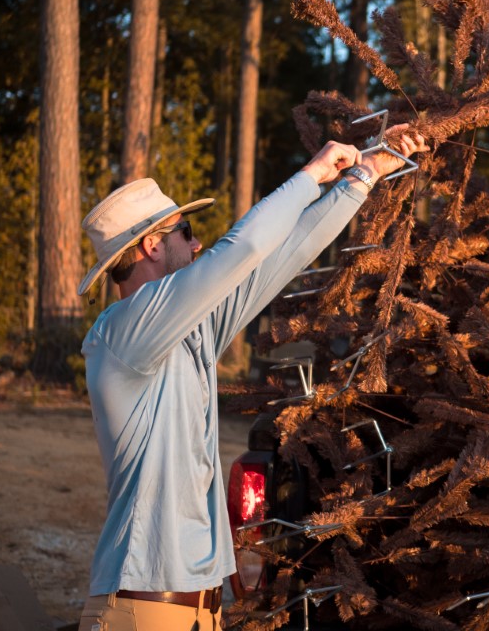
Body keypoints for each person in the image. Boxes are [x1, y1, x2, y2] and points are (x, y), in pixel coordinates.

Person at [76, 127, 428, 630]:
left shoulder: (191, 330)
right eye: (185, 232)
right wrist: (311, 175)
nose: (197, 243)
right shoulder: (122, 330)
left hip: (195, 613)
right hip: (143, 613)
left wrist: (364, 175)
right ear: (152, 246)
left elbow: (279, 258)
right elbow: (241, 249)